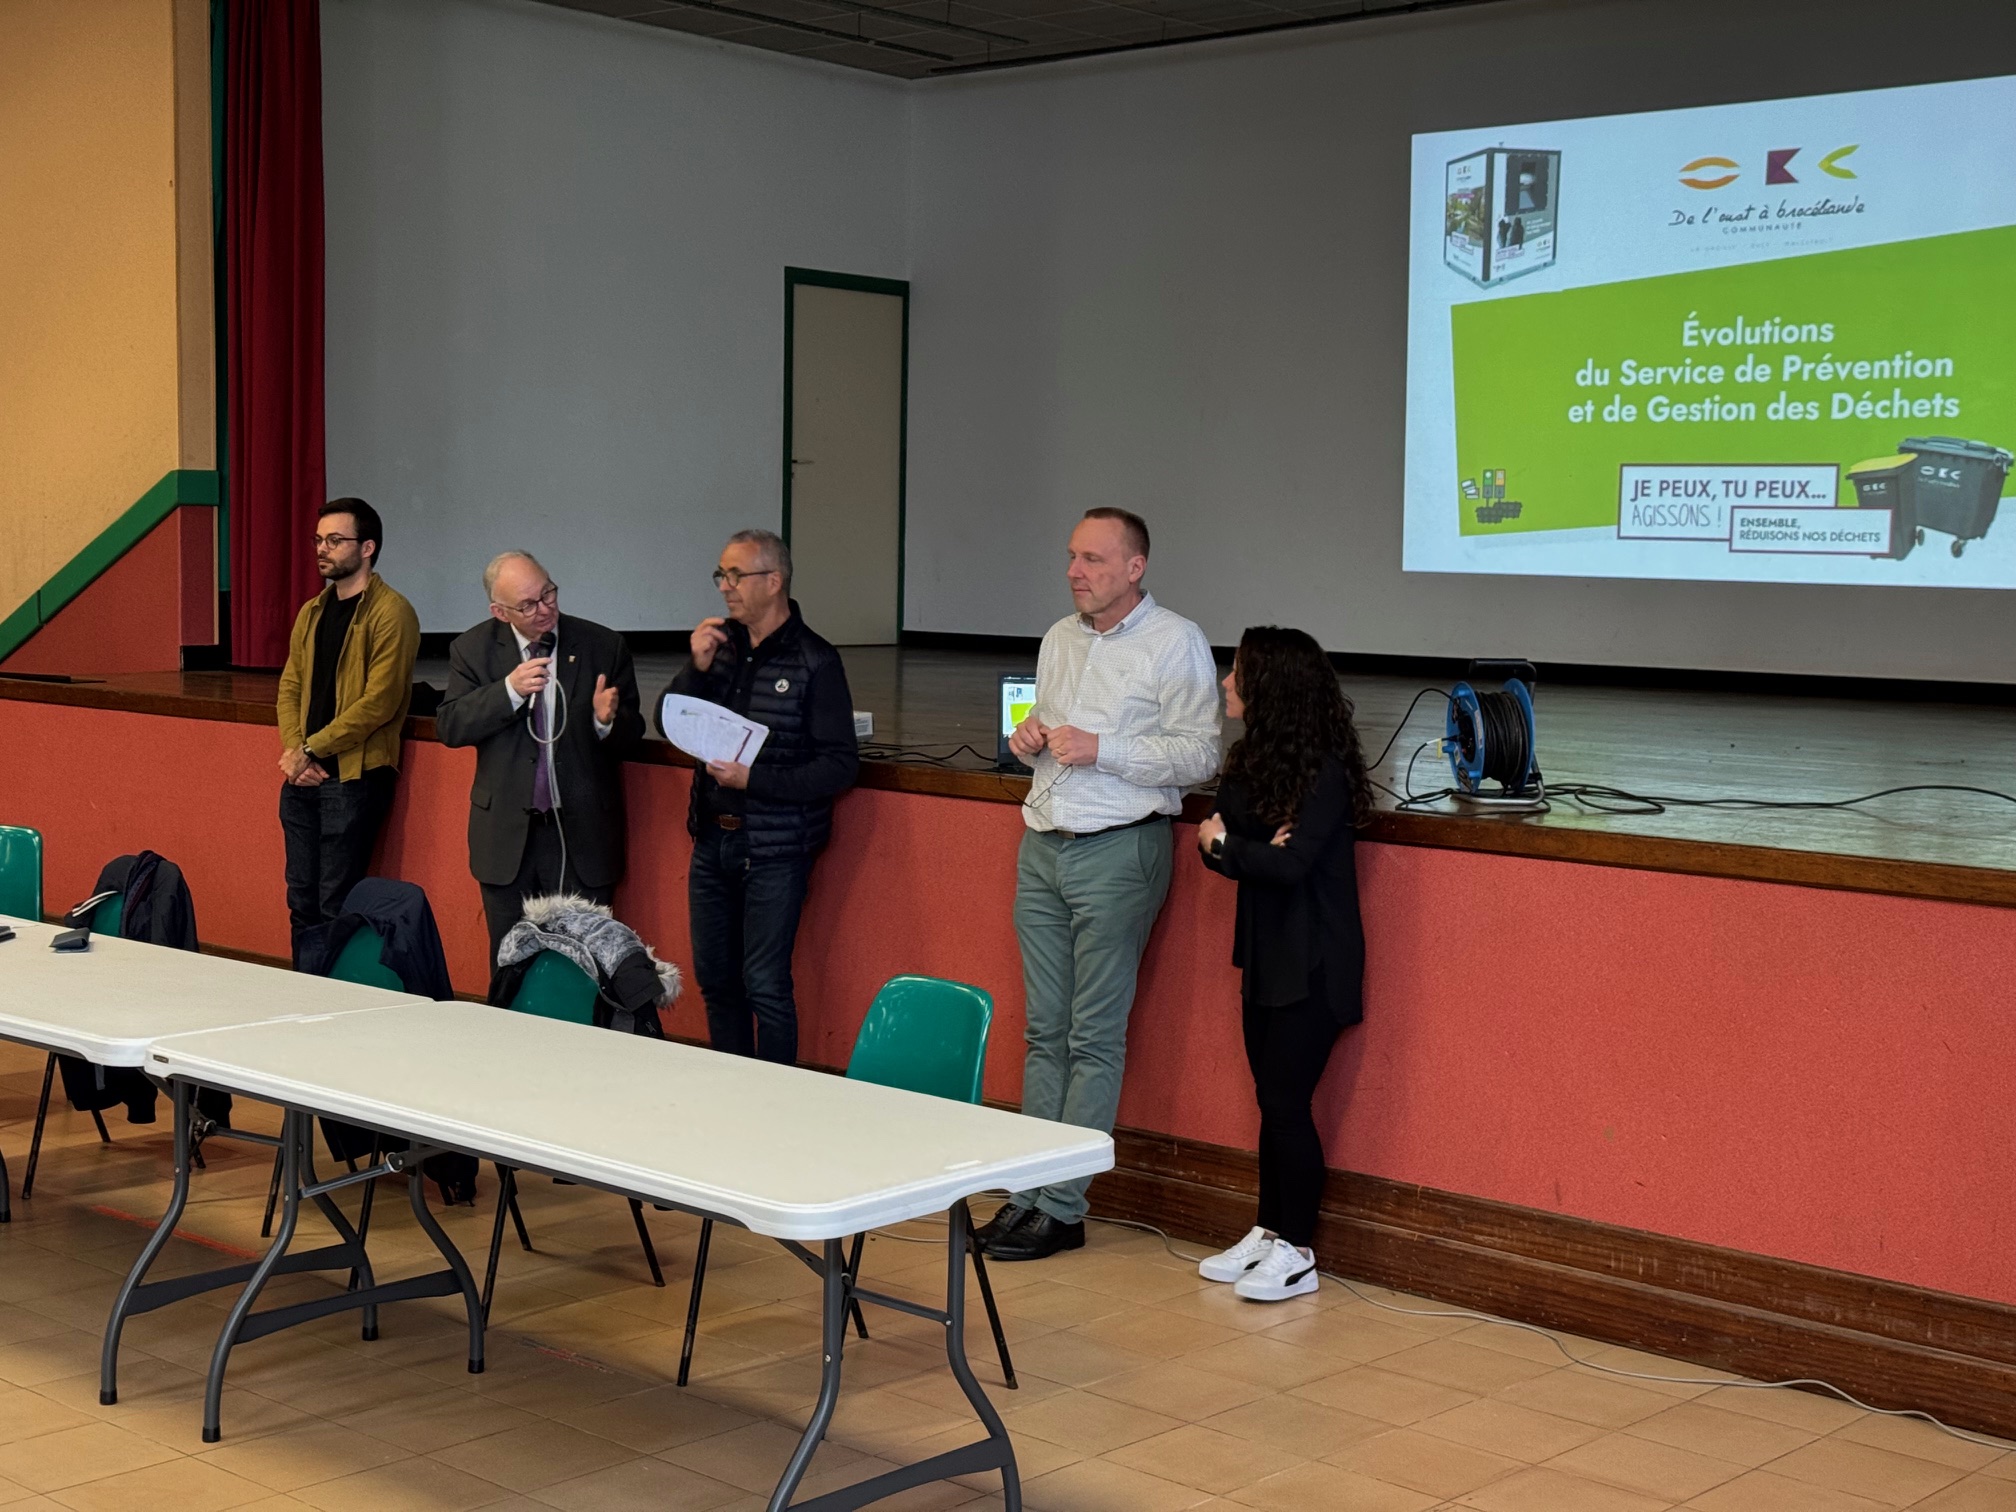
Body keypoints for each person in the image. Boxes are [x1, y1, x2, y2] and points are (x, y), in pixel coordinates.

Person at [981, 508, 1221, 1262]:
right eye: (1071, 557)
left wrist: (1103, 747)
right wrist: (1027, 739)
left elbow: (1201, 755)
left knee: (1091, 1035)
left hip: (1120, 850)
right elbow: (1050, 739)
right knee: (1043, 1031)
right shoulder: (1060, 636)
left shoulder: (1175, 641)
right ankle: (1027, 1191)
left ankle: (1063, 1206)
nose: (1074, 572)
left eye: (1092, 559)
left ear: (1134, 567)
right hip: (1044, 844)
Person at [1193, 626, 1368, 1302]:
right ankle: (1269, 1230)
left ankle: (1298, 1251)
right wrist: (1244, 847)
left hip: (1316, 965)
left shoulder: (1323, 772)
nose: (1226, 683)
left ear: (1271, 686)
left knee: (1288, 1104)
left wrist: (1234, 848)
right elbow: (1215, 833)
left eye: (1237, 671)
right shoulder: (1250, 760)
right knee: (1270, 1102)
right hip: (1267, 959)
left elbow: (1285, 865)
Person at [663, 529, 857, 1065]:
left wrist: (755, 781)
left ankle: (776, 1098)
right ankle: (731, 1089)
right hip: (711, 841)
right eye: (720, 575)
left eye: (735, 575)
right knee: (715, 980)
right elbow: (672, 719)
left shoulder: (816, 660)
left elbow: (840, 765)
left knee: (765, 985)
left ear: (773, 582)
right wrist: (695, 668)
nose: (724, 586)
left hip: (774, 850)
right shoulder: (720, 648)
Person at [435, 552, 644, 962]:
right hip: (506, 840)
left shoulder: (602, 645)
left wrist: (605, 722)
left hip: (582, 836)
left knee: (587, 966)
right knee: (511, 964)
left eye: (548, 593)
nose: (545, 609)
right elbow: (451, 726)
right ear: (500, 612)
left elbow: (632, 737)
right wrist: (508, 691)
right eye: (528, 605)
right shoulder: (473, 649)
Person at [275, 499, 420, 966]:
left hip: (354, 780)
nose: (323, 548)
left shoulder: (392, 612)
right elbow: (290, 686)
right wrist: (295, 751)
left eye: (335, 540)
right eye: (319, 539)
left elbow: (379, 702)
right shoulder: (312, 612)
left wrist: (311, 748)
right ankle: (304, 991)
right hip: (303, 779)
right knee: (301, 902)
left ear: (368, 547)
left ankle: (334, 998)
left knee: (337, 905)